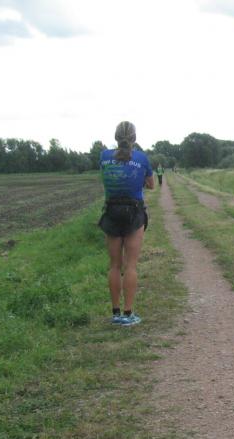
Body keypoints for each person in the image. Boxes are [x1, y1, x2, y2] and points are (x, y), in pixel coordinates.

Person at [98, 121, 154, 327]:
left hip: (111, 212)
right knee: (131, 265)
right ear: (134, 138)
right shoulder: (141, 158)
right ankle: (128, 314)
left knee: (114, 265)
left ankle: (115, 313)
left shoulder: (104, 156)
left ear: (116, 137)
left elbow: (104, 178)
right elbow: (151, 185)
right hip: (134, 213)